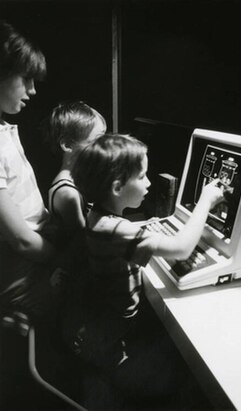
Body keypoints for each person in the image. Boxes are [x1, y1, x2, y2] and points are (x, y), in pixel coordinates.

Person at [63, 133, 224, 408]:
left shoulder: (98, 215)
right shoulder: (117, 230)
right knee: (189, 373)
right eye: (142, 176)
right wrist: (205, 202)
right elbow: (182, 248)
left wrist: (150, 227)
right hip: (116, 346)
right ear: (117, 187)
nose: (149, 182)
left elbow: (127, 238)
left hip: (108, 329)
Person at [0, 20, 59, 322]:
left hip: (32, 253)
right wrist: (65, 258)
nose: (33, 90)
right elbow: (21, 239)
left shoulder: (4, 129)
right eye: (26, 79)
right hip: (21, 270)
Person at [46, 100, 107, 237]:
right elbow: (83, 243)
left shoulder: (78, 180)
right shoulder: (67, 193)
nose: (104, 147)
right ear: (67, 145)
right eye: (97, 140)